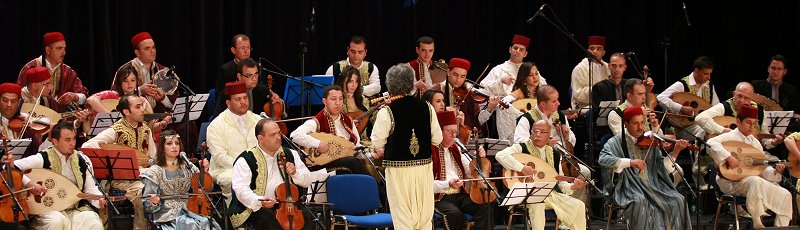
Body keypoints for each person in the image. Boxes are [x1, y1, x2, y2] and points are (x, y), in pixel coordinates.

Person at [370, 63, 442, 229]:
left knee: (403, 217)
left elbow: (376, 142)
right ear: (412, 84)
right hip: (424, 169)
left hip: (398, 171)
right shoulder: (428, 107)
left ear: (391, 86)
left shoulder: (387, 111)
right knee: (424, 217)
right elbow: (437, 139)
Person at [82, 94, 169, 230]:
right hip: (120, 180)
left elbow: (152, 158)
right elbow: (88, 146)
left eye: (143, 106)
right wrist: (108, 149)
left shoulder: (145, 129)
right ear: (126, 112)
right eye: (138, 107)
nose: (143, 110)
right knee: (144, 192)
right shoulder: (115, 130)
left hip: (143, 175)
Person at [598, 106, 693, 229]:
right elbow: (603, 159)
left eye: (642, 122)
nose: (640, 127)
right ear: (626, 124)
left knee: (678, 200)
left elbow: (663, 169)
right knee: (640, 202)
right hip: (629, 186)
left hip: (654, 185)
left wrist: (676, 152)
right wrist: (630, 162)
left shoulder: (650, 141)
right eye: (635, 123)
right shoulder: (615, 142)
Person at [706, 104, 792, 228]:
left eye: (754, 123)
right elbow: (710, 143)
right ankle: (757, 222)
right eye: (748, 122)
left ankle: (781, 227)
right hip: (730, 182)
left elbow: (761, 168)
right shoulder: (729, 136)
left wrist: (775, 172)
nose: (752, 127)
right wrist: (728, 157)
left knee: (785, 194)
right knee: (755, 181)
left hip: (750, 181)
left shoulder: (755, 142)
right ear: (738, 121)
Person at [496, 120, 587, 230]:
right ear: (531, 133)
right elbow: (500, 155)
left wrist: (572, 186)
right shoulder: (522, 148)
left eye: (543, 132)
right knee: (537, 202)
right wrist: (522, 168)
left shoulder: (555, 154)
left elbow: (559, 182)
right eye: (535, 131)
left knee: (579, 205)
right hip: (528, 195)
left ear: (549, 135)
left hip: (551, 194)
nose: (538, 135)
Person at [228, 118, 313, 229]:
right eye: (273, 135)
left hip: (289, 205)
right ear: (260, 138)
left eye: (279, 133)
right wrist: (259, 201)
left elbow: (308, 181)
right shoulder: (245, 159)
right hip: (257, 207)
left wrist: (295, 173)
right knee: (268, 220)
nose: (278, 137)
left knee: (309, 216)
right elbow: (241, 190)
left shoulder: (290, 153)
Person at [431, 111, 491, 230]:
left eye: (455, 132)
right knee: (454, 214)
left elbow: (470, 171)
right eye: (450, 132)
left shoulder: (456, 148)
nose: (454, 135)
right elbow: (425, 184)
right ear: (439, 131)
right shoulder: (430, 151)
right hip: (439, 197)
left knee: (485, 204)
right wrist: (447, 184)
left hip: (460, 195)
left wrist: (478, 159)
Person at [289, 85, 369, 175]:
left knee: (361, 162)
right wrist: (318, 144)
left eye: (340, 99)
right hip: (324, 166)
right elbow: (294, 135)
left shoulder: (347, 120)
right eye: (333, 99)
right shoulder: (317, 121)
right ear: (324, 101)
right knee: (352, 162)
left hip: (347, 160)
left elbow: (356, 146)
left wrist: (371, 155)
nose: (338, 103)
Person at [141, 130, 213, 229]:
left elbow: (205, 189)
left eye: (177, 143)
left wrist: (204, 172)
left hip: (190, 211)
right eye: (169, 143)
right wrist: (153, 202)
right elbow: (147, 206)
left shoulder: (188, 166)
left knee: (207, 222)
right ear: (162, 147)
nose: (174, 146)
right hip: (166, 216)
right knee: (194, 225)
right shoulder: (153, 172)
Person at [206, 81, 262, 203]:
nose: (243, 102)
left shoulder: (257, 120)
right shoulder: (217, 125)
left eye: (245, 98)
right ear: (228, 103)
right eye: (238, 99)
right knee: (238, 179)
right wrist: (244, 167)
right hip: (226, 169)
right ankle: (238, 217)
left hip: (256, 166)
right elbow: (220, 157)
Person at [17, 32, 88, 112]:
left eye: (64, 49)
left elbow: (83, 93)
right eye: (59, 48)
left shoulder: (67, 71)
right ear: (47, 50)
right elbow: (18, 97)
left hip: (63, 120)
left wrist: (75, 96)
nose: (63, 52)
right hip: (35, 118)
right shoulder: (31, 68)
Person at [656, 56, 720, 140]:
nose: (708, 77)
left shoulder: (709, 86)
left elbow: (716, 107)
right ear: (696, 71)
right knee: (707, 130)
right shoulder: (682, 84)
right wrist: (681, 108)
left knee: (716, 130)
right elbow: (660, 98)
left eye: (710, 74)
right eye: (705, 74)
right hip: (682, 128)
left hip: (701, 125)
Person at [479, 62, 541, 142]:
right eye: (530, 75)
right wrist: (523, 116)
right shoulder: (518, 93)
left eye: (536, 74)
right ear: (524, 78)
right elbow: (504, 103)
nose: (535, 77)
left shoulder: (541, 93)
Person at [480, 34, 547, 97]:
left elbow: (544, 88)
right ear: (510, 50)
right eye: (515, 48)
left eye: (521, 50)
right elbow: (483, 88)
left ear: (525, 54)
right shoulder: (498, 69)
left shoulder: (530, 70)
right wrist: (500, 81)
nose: (517, 51)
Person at [213, 34, 251, 117]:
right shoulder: (226, 70)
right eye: (242, 48)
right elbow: (221, 95)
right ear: (233, 50)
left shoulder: (255, 67)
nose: (246, 51)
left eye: (248, 48)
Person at [571, 35, 610, 110]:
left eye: (599, 49)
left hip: (606, 106)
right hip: (586, 107)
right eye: (592, 48)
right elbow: (577, 95)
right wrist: (596, 90)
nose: (595, 51)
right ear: (588, 50)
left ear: (603, 52)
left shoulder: (607, 68)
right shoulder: (580, 68)